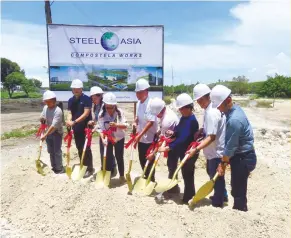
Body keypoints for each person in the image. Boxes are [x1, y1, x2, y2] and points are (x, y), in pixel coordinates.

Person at [211, 85, 257, 211]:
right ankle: (239, 209)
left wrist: (223, 163)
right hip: (241, 155)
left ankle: (240, 212)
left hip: (243, 157)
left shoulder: (235, 119)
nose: (219, 109)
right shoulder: (233, 110)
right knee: (237, 186)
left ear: (228, 101)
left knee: (238, 189)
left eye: (219, 105)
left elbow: (231, 146)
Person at [187, 84, 228, 207]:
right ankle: (223, 196)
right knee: (214, 174)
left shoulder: (211, 112)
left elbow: (211, 137)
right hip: (214, 151)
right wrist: (201, 130)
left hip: (216, 151)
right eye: (198, 101)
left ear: (208, 97)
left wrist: (196, 148)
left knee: (216, 177)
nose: (199, 103)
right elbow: (210, 128)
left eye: (201, 100)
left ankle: (218, 202)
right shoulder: (210, 109)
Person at [159, 93, 199, 204]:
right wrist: (173, 132)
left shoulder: (192, 121)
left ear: (188, 107)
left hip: (189, 152)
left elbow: (184, 138)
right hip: (183, 151)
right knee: (186, 173)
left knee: (188, 174)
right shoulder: (184, 118)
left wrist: (169, 147)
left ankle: (188, 197)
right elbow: (178, 130)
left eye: (181, 108)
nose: (180, 111)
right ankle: (189, 195)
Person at [147, 97, 180, 193]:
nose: (156, 116)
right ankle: (173, 186)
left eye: (156, 114)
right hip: (172, 139)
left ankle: (173, 188)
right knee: (171, 164)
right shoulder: (166, 112)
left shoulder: (167, 120)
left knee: (172, 164)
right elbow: (163, 132)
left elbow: (162, 141)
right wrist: (159, 132)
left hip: (175, 144)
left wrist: (153, 153)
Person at [66, 79, 94, 178]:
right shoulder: (70, 100)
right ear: (72, 89)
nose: (76, 90)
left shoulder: (87, 99)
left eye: (78, 89)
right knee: (79, 147)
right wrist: (69, 121)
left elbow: (86, 113)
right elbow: (70, 113)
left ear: (81, 89)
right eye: (74, 89)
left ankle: (89, 168)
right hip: (76, 128)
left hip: (86, 127)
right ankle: (83, 164)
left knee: (86, 148)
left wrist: (74, 122)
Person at [98, 92, 128, 183]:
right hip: (108, 139)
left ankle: (122, 176)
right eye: (107, 107)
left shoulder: (120, 112)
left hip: (119, 138)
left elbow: (126, 126)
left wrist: (117, 125)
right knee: (107, 157)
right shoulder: (101, 114)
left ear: (115, 105)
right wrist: (103, 139)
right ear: (104, 105)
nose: (110, 109)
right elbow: (101, 129)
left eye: (112, 107)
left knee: (119, 157)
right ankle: (108, 176)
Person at [87, 86, 117, 178]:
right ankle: (105, 167)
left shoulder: (105, 106)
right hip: (102, 131)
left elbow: (107, 121)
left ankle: (110, 169)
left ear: (100, 96)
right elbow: (98, 120)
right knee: (103, 150)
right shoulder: (96, 106)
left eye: (95, 98)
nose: (93, 100)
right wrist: (93, 122)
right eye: (92, 98)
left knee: (107, 150)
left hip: (108, 131)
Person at [133, 79, 158, 182]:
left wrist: (140, 135)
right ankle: (145, 176)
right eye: (136, 92)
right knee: (142, 159)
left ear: (146, 91)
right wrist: (135, 121)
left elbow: (150, 122)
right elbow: (138, 116)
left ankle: (151, 179)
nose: (137, 94)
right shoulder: (139, 103)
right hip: (141, 137)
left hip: (150, 138)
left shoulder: (151, 104)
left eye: (139, 92)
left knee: (149, 160)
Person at [40, 90, 65, 174]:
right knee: (50, 150)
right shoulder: (45, 108)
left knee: (57, 151)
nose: (47, 103)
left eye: (49, 102)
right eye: (46, 102)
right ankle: (54, 166)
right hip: (48, 132)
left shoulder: (58, 111)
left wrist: (45, 135)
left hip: (56, 132)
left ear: (54, 101)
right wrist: (42, 118)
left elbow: (54, 126)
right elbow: (42, 116)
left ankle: (59, 168)